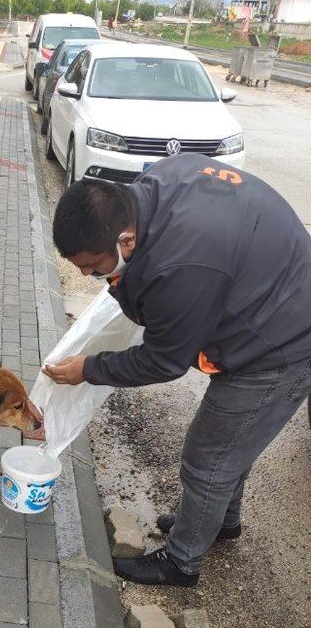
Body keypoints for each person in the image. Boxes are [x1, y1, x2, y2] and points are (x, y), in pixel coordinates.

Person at [45, 154, 311, 586]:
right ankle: (221, 522)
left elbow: (164, 360)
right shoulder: (155, 184)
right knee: (232, 444)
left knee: (206, 459)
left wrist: (89, 368)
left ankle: (182, 562)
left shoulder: (181, 267)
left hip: (279, 342)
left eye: (93, 265)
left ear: (126, 240)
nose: (88, 274)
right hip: (273, 289)